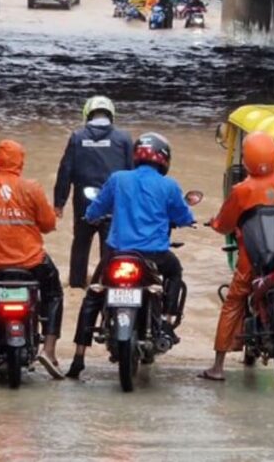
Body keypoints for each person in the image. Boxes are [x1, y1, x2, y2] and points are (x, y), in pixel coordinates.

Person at [64, 133, 195, 379]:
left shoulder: (118, 178)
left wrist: (90, 216)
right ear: (164, 159)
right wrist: (189, 221)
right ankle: (166, 321)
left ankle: (78, 357)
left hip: (117, 252)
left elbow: (96, 208)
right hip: (154, 255)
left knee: (93, 293)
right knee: (175, 272)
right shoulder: (169, 185)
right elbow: (183, 216)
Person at [199, 132, 274, 381]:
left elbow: (225, 224)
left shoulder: (243, 190)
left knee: (234, 301)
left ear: (247, 160)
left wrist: (214, 223)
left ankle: (218, 366)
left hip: (255, 260)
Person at [0, 140, 65, 378]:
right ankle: (48, 349)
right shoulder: (32, 188)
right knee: (54, 292)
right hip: (31, 261)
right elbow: (48, 225)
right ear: (21, 161)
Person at [53, 96, 133, 289]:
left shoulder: (77, 137)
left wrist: (59, 202)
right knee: (110, 247)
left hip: (84, 202)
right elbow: (132, 173)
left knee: (80, 244)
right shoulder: (124, 139)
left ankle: (76, 285)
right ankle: (107, 284)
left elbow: (65, 171)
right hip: (113, 203)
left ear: (87, 114)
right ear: (111, 114)